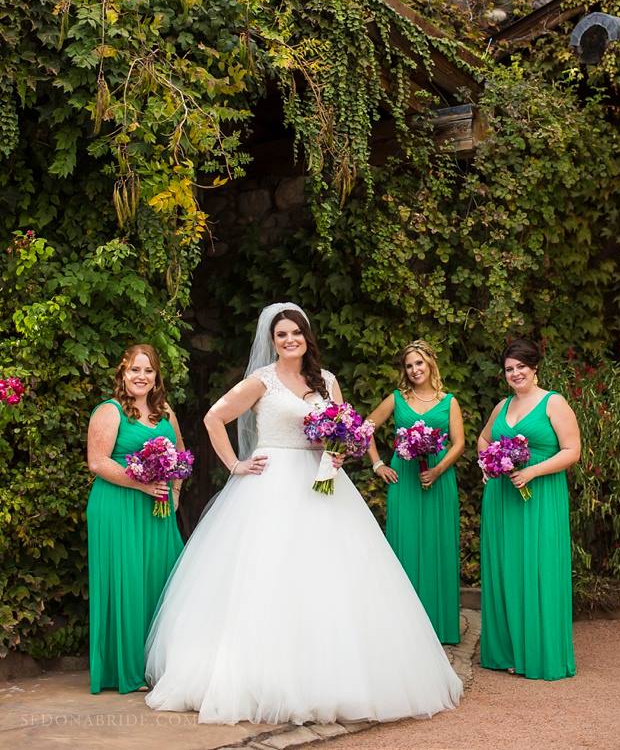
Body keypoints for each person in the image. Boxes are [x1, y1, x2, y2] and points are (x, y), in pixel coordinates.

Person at [145, 304, 462, 725]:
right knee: (268, 575)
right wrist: (236, 465)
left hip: (323, 483)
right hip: (270, 484)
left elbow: (345, 431)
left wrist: (340, 449)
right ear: (272, 342)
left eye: (296, 333)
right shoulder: (261, 381)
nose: (290, 340)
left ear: (306, 337)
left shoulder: (327, 381)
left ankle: (337, 676)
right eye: (281, 335)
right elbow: (213, 417)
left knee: (333, 577)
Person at [477, 338, 580, 680]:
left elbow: (572, 451)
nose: (516, 373)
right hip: (502, 498)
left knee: (539, 568)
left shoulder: (554, 403)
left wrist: (533, 470)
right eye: (509, 369)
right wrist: (486, 464)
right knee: (508, 569)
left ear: (534, 368)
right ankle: (507, 650)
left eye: (521, 366)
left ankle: (537, 653)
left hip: (541, 496)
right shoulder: (502, 406)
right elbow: (483, 439)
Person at [86, 344, 185, 693]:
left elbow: (181, 457)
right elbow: (98, 462)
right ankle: (124, 669)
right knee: (126, 581)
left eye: (148, 371)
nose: (141, 377)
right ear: (122, 374)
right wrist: (142, 485)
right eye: (134, 371)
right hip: (118, 506)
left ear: (156, 377)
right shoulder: (110, 411)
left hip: (157, 510)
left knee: (163, 579)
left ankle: (158, 665)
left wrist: (173, 494)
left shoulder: (165, 412)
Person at [367, 340, 464, 644]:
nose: (414, 370)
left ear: (431, 363)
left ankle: (439, 626)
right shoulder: (397, 399)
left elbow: (459, 444)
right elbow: (365, 427)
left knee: (439, 546)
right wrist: (378, 464)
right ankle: (404, 629)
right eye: (409, 365)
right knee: (405, 544)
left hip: (439, 479)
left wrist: (437, 470)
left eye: (419, 363)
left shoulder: (449, 401)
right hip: (405, 480)